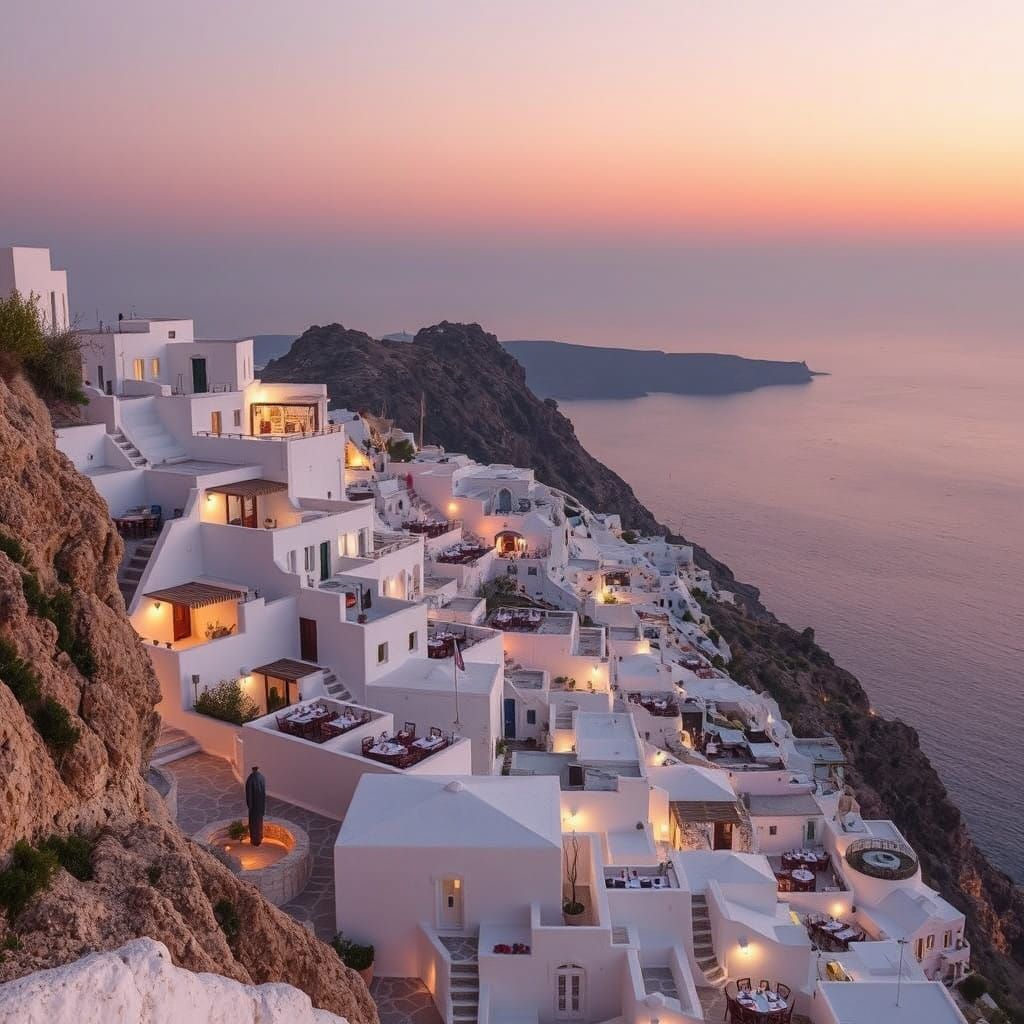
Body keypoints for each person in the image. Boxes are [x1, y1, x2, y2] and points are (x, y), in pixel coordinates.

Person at [245, 765, 267, 846]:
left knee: (254, 823)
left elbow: (249, 794)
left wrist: (250, 806)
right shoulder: (262, 777)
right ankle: (260, 838)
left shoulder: (250, 779)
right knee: (259, 822)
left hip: (254, 806)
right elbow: (264, 793)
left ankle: (254, 841)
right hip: (260, 804)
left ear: (252, 770)